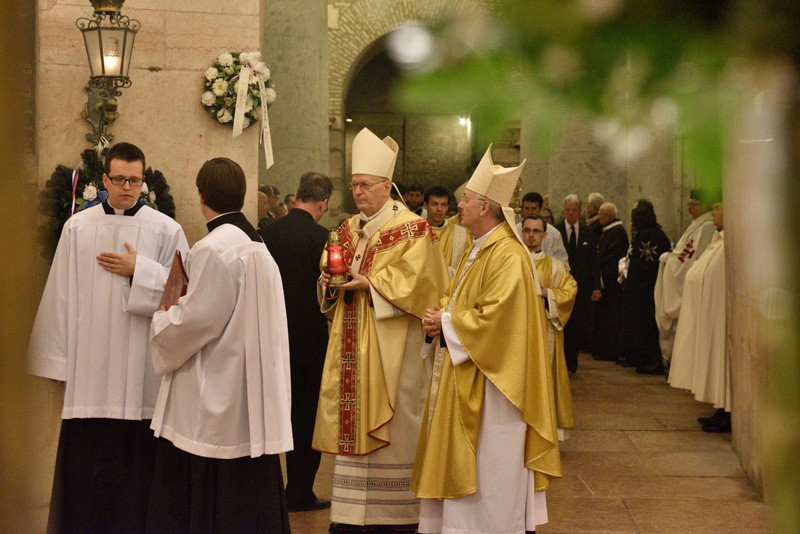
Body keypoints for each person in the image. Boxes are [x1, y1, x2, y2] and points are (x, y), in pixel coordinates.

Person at [27, 142, 189, 532]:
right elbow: (60, 293)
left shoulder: (166, 229)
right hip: (91, 373)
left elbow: (183, 294)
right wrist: (58, 360)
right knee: (89, 474)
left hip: (142, 371)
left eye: (135, 180)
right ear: (104, 180)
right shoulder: (78, 228)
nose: (127, 187)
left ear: (143, 181)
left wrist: (140, 269)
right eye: (119, 179)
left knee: (138, 473)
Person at [412, 146, 560, 534]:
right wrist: (440, 318)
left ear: (485, 207)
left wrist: (446, 322)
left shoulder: (508, 254)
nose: (458, 205)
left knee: (491, 464)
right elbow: (460, 299)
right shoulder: (478, 247)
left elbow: (499, 319)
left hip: (497, 386)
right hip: (470, 369)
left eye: (466, 199)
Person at [314, 128, 449, 533]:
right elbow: (329, 279)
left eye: (366, 185)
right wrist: (329, 282)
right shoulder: (345, 229)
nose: (358, 192)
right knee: (351, 424)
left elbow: (423, 284)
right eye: (354, 185)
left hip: (395, 352)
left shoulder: (414, 230)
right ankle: (349, 517)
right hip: (351, 347)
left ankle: (395, 518)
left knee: (396, 428)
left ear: (387, 187)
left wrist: (370, 285)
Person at [148, 157, 293, 531]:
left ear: (201, 196)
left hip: (220, 389)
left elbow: (197, 322)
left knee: (214, 484)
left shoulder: (214, 248)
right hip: (250, 387)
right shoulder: (256, 243)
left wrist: (162, 319)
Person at [261, 171, 334, 512]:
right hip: (311, 341)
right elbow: (332, 291)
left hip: (272, 336)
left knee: (270, 412)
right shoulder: (324, 238)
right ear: (323, 203)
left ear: (297, 197)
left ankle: (267, 492)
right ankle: (300, 491)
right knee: (306, 418)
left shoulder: (266, 234)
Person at [668, 203, 730, 432]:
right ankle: (720, 407)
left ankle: (727, 411)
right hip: (710, 313)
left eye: (718, 210)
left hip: (720, 316)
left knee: (721, 362)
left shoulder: (730, 243)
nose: (713, 214)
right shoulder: (718, 240)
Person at [523, 215, 577, 440]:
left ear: (545, 235)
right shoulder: (512, 261)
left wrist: (548, 293)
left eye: (536, 231)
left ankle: (545, 429)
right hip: (519, 333)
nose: (531, 236)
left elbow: (570, 290)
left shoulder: (555, 266)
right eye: (527, 230)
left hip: (545, 332)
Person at [654, 189, 718, 363]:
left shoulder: (706, 226)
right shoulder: (696, 224)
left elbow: (692, 256)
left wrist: (670, 259)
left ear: (705, 206)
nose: (689, 208)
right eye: (688, 204)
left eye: (693, 204)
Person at [618, 205, 671, 373]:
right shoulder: (659, 234)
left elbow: (642, 262)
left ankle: (650, 359)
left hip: (644, 289)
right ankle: (642, 358)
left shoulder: (646, 235)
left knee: (645, 325)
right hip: (648, 287)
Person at [555, 194, 600, 372]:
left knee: (578, 323)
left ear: (580, 211)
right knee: (564, 323)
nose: (571, 213)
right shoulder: (557, 231)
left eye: (574, 210)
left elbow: (594, 261)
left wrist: (596, 286)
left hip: (582, 285)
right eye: (568, 210)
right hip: (562, 284)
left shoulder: (588, 232)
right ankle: (561, 360)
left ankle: (572, 360)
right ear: (564, 211)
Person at [593, 202, 629, 361]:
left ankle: (608, 350)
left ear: (608, 216)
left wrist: (601, 272)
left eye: (601, 214)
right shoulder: (606, 230)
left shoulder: (618, 232)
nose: (598, 217)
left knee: (610, 318)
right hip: (603, 281)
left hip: (611, 284)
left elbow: (613, 258)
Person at [425, 185, 473, 276]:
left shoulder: (462, 234)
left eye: (443, 205)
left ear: (447, 207)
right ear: (425, 205)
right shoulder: (417, 232)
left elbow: (468, 269)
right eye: (434, 204)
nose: (439, 209)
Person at [516, 191, 569, 266]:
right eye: (526, 208)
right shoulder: (514, 231)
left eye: (533, 208)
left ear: (540, 209)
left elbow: (562, 262)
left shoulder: (553, 233)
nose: (529, 212)